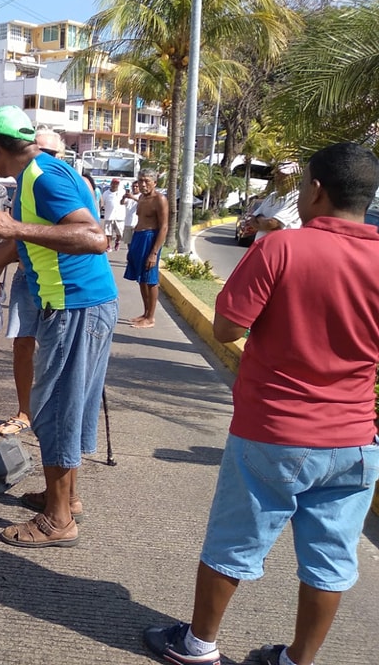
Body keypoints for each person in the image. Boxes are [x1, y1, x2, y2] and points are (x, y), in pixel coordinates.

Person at [143, 142, 379, 665]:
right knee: (331, 561)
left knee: (234, 542)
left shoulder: (282, 247)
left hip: (275, 431)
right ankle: (297, 660)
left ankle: (198, 646)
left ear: (316, 189)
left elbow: (228, 326)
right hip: (357, 441)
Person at [0, 105, 118, 547]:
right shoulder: (42, 171)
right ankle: (65, 500)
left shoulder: (43, 178)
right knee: (66, 407)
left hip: (76, 307)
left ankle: (57, 522)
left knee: (52, 410)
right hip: (80, 306)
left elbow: (94, 239)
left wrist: (14, 224)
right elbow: (17, 248)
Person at [0, 127, 67, 437]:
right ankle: (25, 412)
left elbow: (87, 236)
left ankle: (50, 413)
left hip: (59, 283)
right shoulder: (23, 185)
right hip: (25, 275)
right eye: (39, 150)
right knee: (22, 344)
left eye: (50, 154)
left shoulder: (63, 182)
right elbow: (10, 238)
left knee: (53, 351)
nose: (42, 159)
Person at [123, 169, 168, 329]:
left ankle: (151, 317)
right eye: (141, 180)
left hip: (150, 239)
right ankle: (145, 312)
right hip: (138, 237)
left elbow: (163, 227)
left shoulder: (160, 199)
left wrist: (154, 253)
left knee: (150, 279)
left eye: (147, 181)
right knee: (141, 279)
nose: (143, 184)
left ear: (155, 183)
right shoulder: (141, 198)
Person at [241, 176, 301, 241]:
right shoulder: (272, 196)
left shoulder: (295, 198)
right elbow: (252, 220)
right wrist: (266, 224)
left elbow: (271, 223)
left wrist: (258, 218)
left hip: (278, 247)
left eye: (283, 176)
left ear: (293, 178)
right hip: (261, 245)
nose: (278, 179)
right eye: (277, 175)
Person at [101, 178, 126, 251]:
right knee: (108, 232)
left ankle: (117, 241)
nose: (115, 185)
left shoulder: (122, 192)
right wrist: (102, 207)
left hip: (119, 216)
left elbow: (125, 202)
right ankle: (108, 245)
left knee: (120, 233)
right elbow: (103, 202)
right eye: (114, 183)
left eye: (117, 184)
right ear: (111, 184)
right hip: (109, 216)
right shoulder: (106, 193)